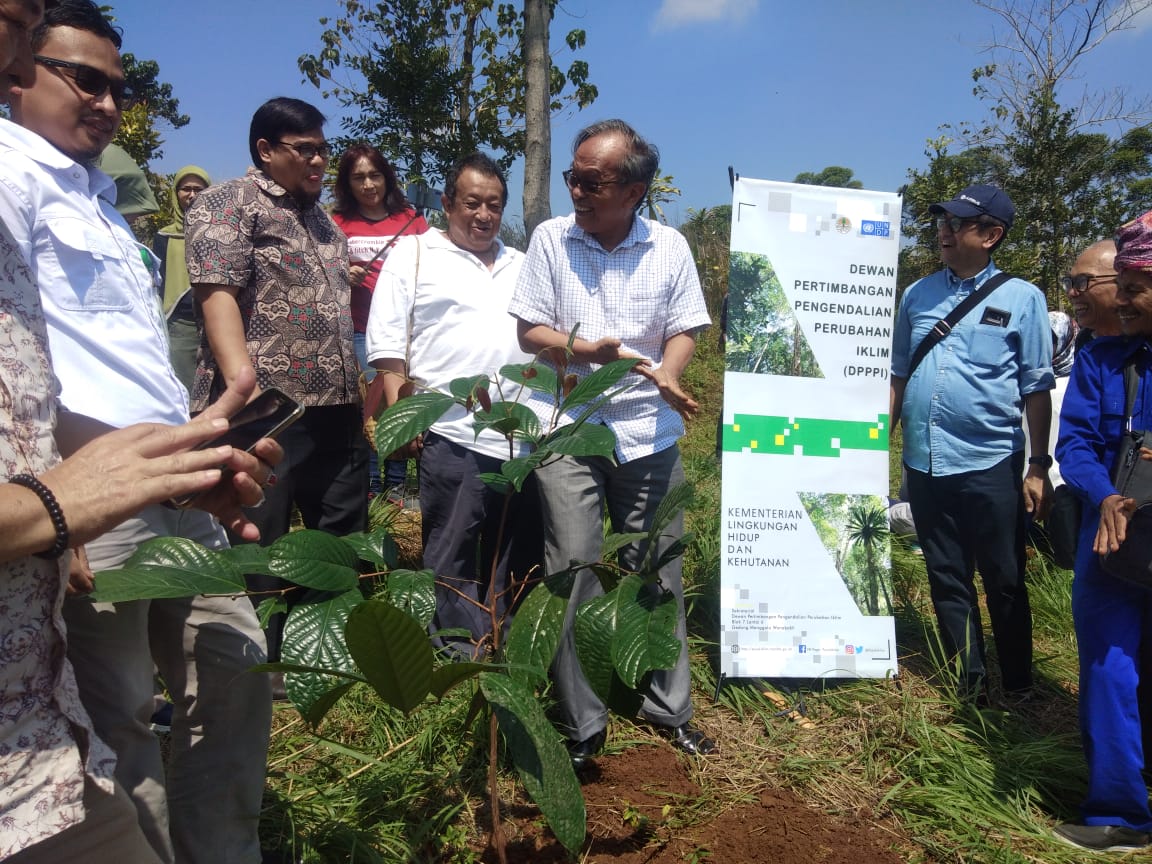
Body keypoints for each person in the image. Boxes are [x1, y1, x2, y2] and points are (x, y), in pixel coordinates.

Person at [0, 3, 274, 861]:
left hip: (167, 476)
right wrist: (56, 506)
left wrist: (199, 452)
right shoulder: (7, 178)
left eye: (118, 87)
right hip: (85, 491)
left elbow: (121, 357)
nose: (109, 103)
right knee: (120, 714)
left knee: (232, 669)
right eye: (85, 80)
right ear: (21, 68)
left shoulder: (106, 204)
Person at [508, 119, 714, 765]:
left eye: (590, 182)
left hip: (648, 430)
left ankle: (666, 706)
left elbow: (685, 327)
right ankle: (583, 721)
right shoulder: (551, 238)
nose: (576, 191)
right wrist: (584, 350)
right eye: (573, 178)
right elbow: (529, 332)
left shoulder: (669, 246)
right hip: (568, 423)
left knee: (658, 568)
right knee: (574, 566)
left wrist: (670, 374)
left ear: (633, 191)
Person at [186, 97, 368, 664]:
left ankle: (328, 650)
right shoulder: (229, 202)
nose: (319, 161)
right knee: (259, 531)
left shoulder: (322, 220)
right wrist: (240, 384)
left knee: (338, 528)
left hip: (336, 402)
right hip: (269, 407)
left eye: (323, 149)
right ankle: (258, 657)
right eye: (305, 149)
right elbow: (216, 293)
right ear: (265, 150)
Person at [366, 152, 540, 658]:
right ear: (446, 203)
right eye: (471, 203)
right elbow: (388, 346)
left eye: (494, 205)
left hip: (520, 431)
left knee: (513, 543)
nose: (483, 215)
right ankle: (459, 648)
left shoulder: (521, 263)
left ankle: (504, 636)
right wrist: (404, 418)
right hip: (450, 427)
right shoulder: (415, 254)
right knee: (453, 540)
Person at [890, 184, 1054, 702]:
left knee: (1004, 577)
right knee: (946, 574)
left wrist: (1037, 466)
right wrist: (878, 447)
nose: (944, 230)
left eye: (957, 223)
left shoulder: (1023, 298)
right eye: (942, 221)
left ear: (991, 235)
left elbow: (1037, 389)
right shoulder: (917, 295)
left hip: (991, 463)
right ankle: (970, 680)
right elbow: (898, 375)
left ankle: (1019, 682)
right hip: (924, 461)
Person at [1053, 210, 1152, 852]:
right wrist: (1107, 496)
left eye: (1135, 288)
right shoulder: (1099, 359)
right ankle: (1120, 813)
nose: (1126, 298)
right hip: (1110, 543)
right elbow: (1076, 444)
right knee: (1111, 667)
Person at [331, 143, 427, 500]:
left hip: (406, 332)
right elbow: (322, 270)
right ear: (348, 183)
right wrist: (343, 273)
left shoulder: (411, 220)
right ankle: (372, 485)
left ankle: (397, 485)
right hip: (361, 329)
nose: (368, 184)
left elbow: (429, 265)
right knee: (372, 405)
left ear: (387, 178)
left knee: (400, 402)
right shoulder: (337, 222)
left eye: (375, 175)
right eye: (359, 178)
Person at [153, 165, 210, 393]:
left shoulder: (220, 233)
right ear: (176, 193)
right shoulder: (165, 236)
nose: (192, 194)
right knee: (182, 387)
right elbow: (158, 281)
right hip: (180, 324)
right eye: (186, 189)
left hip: (214, 321)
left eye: (199, 189)